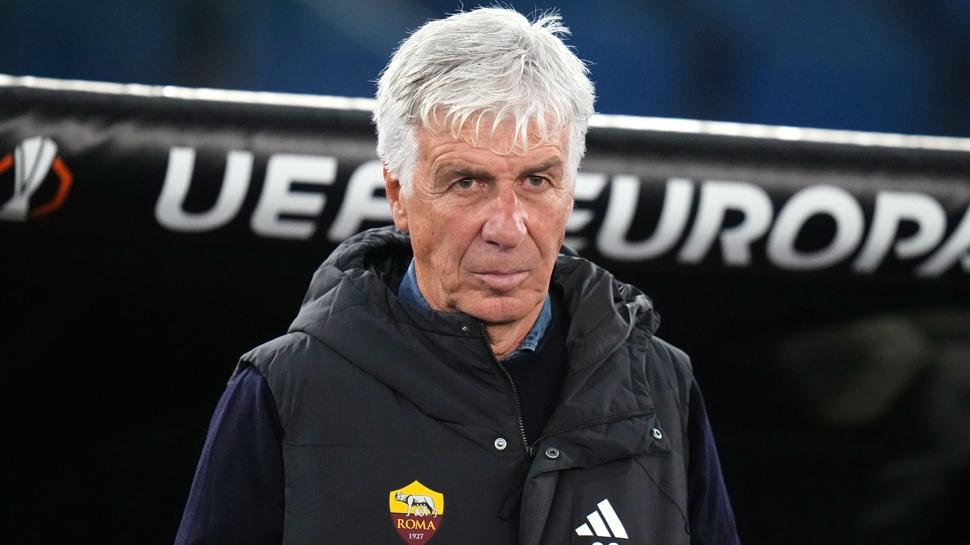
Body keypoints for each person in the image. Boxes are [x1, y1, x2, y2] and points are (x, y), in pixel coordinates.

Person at [174, 7, 740, 545]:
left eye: (537, 181)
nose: (507, 228)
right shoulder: (283, 388)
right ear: (399, 193)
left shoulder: (662, 384)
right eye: (467, 182)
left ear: (570, 190)